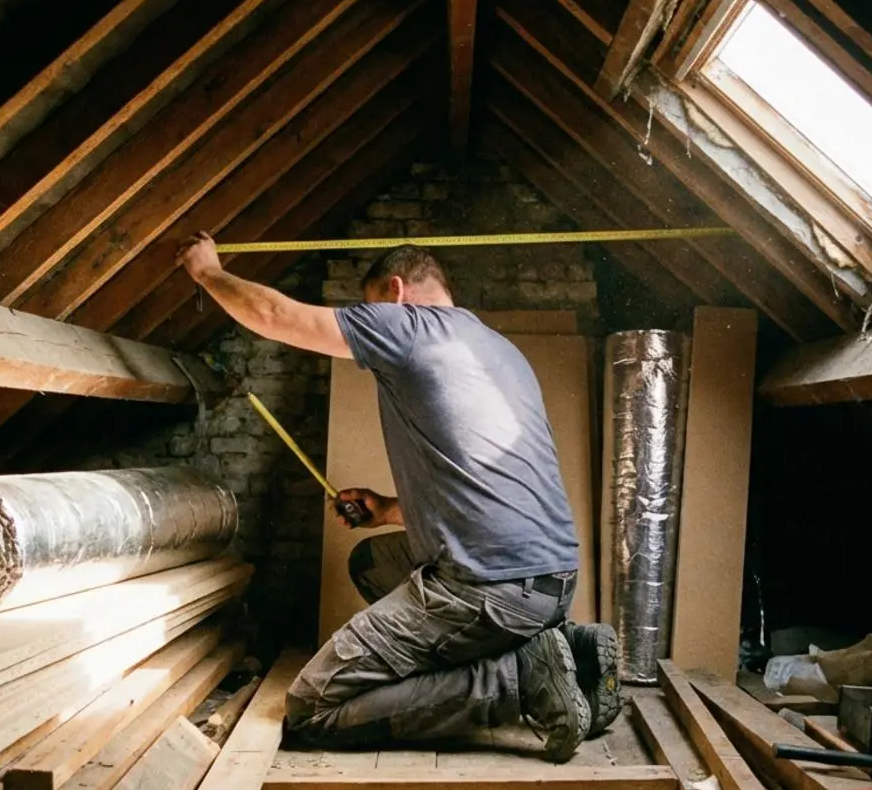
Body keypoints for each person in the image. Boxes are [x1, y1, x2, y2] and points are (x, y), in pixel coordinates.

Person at [175, 232, 619, 762]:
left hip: (489, 589)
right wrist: (385, 509)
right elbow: (481, 489)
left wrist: (208, 273)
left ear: (396, 290)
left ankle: (518, 680)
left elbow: (275, 314)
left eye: (372, 306)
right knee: (371, 563)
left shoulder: (406, 325)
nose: (369, 321)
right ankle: (570, 649)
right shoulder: (499, 350)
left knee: (312, 706)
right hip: (551, 584)